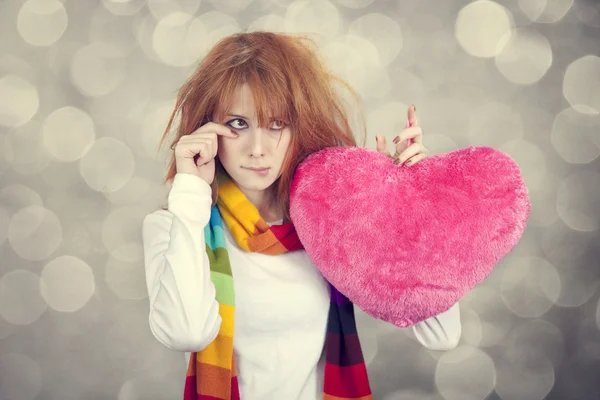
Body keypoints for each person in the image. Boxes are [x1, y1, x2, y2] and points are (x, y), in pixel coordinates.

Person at [142, 31, 461, 400]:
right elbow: (187, 332)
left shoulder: (327, 224)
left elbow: (441, 334)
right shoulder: (177, 224)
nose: (258, 149)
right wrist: (190, 191)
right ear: (206, 128)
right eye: (238, 124)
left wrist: (409, 208)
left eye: (277, 124)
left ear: (301, 126)